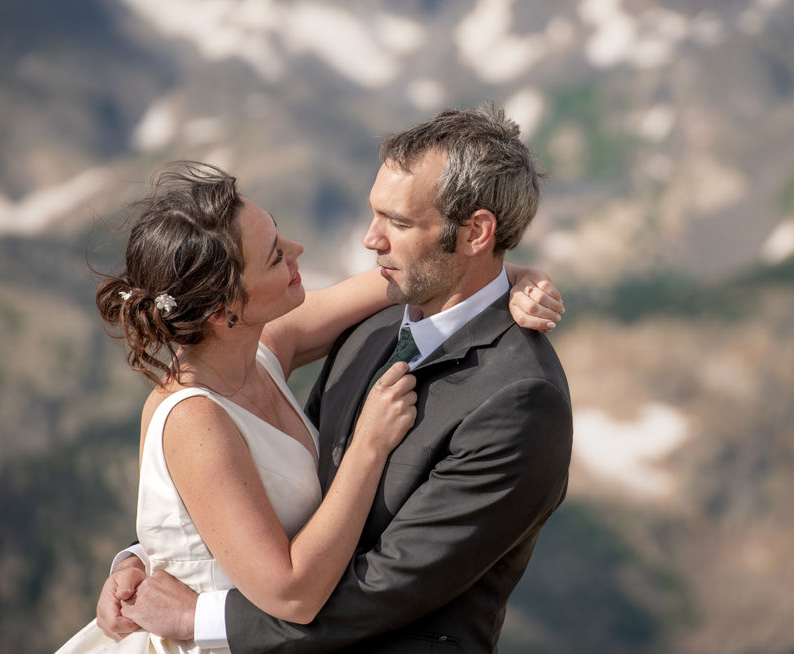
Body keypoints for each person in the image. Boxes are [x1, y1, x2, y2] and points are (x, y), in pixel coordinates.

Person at [99, 104, 573, 653]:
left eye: (396, 221)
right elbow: (238, 494)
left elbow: (383, 589)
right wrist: (150, 555)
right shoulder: (369, 325)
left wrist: (202, 617)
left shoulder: (520, 397)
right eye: (376, 214)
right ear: (224, 306)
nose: (371, 240)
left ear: (475, 233)